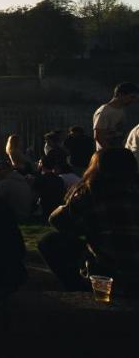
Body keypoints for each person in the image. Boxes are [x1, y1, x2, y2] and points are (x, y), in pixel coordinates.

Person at [38, 148, 139, 295]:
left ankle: (78, 288)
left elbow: (56, 220)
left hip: (108, 277)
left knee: (50, 241)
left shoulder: (90, 195)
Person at [94, 82, 139, 149]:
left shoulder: (121, 110)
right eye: (132, 97)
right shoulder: (105, 111)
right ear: (120, 94)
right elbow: (98, 136)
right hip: (105, 155)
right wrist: (112, 152)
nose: (133, 100)